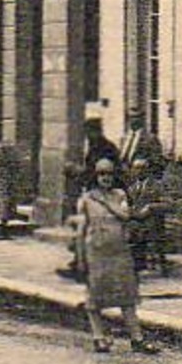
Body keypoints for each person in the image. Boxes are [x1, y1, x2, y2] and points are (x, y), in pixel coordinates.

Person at [78, 158, 160, 355]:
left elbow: (124, 216)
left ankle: (137, 338)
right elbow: (81, 230)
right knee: (95, 296)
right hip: (96, 251)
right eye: (101, 174)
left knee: (127, 296)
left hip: (119, 251)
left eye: (109, 174)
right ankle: (98, 337)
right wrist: (80, 259)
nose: (106, 178)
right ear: (95, 176)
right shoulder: (87, 199)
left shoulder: (120, 195)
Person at [59, 118, 120, 281]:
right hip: (94, 195)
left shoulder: (105, 149)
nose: (87, 136)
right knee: (81, 230)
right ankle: (80, 263)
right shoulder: (96, 147)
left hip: (103, 199)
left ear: (96, 131)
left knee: (86, 231)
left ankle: (83, 268)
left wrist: (79, 172)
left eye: (89, 132)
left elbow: (101, 174)